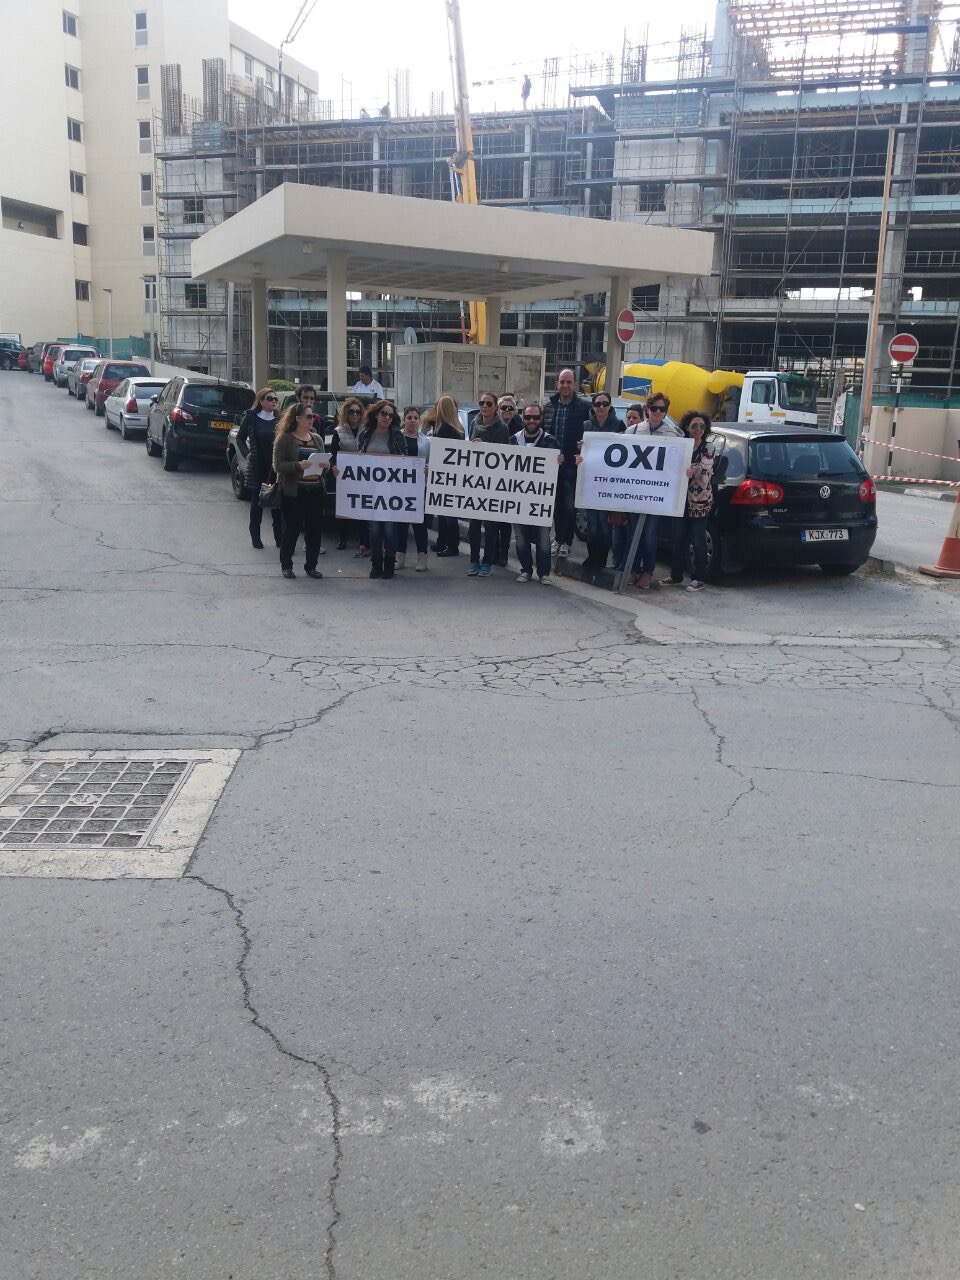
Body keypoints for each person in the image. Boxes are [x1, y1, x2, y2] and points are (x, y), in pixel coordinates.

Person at [624, 393, 683, 589]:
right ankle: (632, 569)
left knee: (649, 534)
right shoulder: (633, 431)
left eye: (662, 409)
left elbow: (679, 463)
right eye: (654, 408)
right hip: (634, 493)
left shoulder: (673, 435)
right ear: (647, 409)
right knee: (634, 533)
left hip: (657, 496)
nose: (658, 412)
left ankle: (648, 571)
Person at [273, 400, 328, 580]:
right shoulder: (285, 438)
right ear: (297, 418)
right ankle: (286, 566)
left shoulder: (317, 438)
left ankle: (311, 566)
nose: (312, 420)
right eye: (309, 416)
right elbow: (278, 465)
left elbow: (325, 466)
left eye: (313, 416)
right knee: (292, 530)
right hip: (294, 492)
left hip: (315, 491)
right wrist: (298, 465)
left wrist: (325, 465)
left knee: (314, 531)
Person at [661, 410, 715, 593]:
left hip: (699, 502)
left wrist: (695, 470)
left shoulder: (708, 447)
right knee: (678, 539)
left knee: (699, 541)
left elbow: (706, 472)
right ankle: (676, 575)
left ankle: (699, 578)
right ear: (687, 427)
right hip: (679, 500)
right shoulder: (681, 445)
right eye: (694, 426)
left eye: (702, 426)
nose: (698, 429)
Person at [541, 369, 592, 558]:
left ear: (574, 384)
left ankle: (567, 542)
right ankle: (558, 539)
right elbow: (543, 434)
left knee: (569, 507)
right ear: (557, 384)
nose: (565, 385)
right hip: (552, 466)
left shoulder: (584, 407)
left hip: (572, 465)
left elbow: (591, 434)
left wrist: (583, 447)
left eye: (569, 382)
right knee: (555, 506)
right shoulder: (548, 407)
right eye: (562, 381)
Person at [353, 400, 406, 579]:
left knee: (390, 529)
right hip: (371, 489)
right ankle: (376, 564)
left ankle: (389, 564)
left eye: (390, 415)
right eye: (384, 413)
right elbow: (358, 460)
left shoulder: (397, 435)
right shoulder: (365, 434)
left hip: (391, 490)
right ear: (376, 415)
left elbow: (404, 461)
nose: (387, 417)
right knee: (374, 529)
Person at [511, 402, 561, 585]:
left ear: (541, 419)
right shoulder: (512, 441)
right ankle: (525, 570)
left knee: (543, 540)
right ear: (522, 419)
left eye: (535, 417)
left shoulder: (551, 441)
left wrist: (560, 461)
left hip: (541, 501)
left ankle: (544, 573)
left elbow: (558, 473)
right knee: (521, 539)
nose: (531, 420)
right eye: (527, 417)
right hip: (517, 499)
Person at [466, 396, 512, 577]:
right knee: (474, 525)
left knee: (491, 526)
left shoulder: (502, 428)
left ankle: (487, 562)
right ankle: (473, 560)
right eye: (481, 403)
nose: (484, 406)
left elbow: (502, 454)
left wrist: (484, 446)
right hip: (476, 481)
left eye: (488, 404)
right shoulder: (474, 423)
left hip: (493, 483)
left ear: (495, 408)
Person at [580, 392, 624, 578]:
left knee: (605, 525)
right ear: (593, 407)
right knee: (592, 524)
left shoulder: (619, 425)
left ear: (610, 406)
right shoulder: (586, 426)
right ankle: (592, 557)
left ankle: (601, 560)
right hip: (591, 482)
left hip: (610, 483)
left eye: (605, 404)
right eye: (598, 404)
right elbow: (581, 451)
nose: (601, 407)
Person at [237, 387, 283, 550]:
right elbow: (240, 438)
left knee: (277, 503)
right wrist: (247, 453)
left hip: (275, 467)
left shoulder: (280, 418)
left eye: (275, 399)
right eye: (270, 398)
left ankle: (279, 538)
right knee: (257, 504)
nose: (273, 402)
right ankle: (255, 537)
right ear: (261, 401)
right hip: (258, 466)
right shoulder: (252, 417)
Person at [329, 397, 367, 552]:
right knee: (344, 508)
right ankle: (342, 538)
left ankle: (364, 541)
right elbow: (332, 454)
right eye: (352, 411)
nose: (355, 414)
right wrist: (333, 467)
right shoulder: (338, 431)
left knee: (362, 508)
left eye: (358, 412)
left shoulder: (366, 430)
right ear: (346, 413)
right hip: (345, 476)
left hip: (363, 476)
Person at [611, 404, 645, 572]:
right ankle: (616, 563)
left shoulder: (647, 441)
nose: (631, 420)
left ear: (642, 420)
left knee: (632, 533)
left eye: (635, 417)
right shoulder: (620, 437)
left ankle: (629, 566)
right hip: (620, 493)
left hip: (637, 495)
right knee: (617, 530)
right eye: (629, 417)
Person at [429, 394, 465, 556]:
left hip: (444, 475)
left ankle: (450, 546)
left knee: (446, 514)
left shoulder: (443, 429)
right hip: (454, 475)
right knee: (447, 513)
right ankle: (443, 543)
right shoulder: (459, 429)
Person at [396, 405, 430, 571]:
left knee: (419, 524)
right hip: (400, 487)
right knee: (400, 525)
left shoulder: (426, 441)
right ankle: (399, 558)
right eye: (409, 418)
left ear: (419, 420)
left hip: (419, 488)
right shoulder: (396, 438)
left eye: (415, 418)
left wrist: (429, 469)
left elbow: (432, 462)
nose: (412, 421)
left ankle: (422, 558)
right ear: (404, 420)